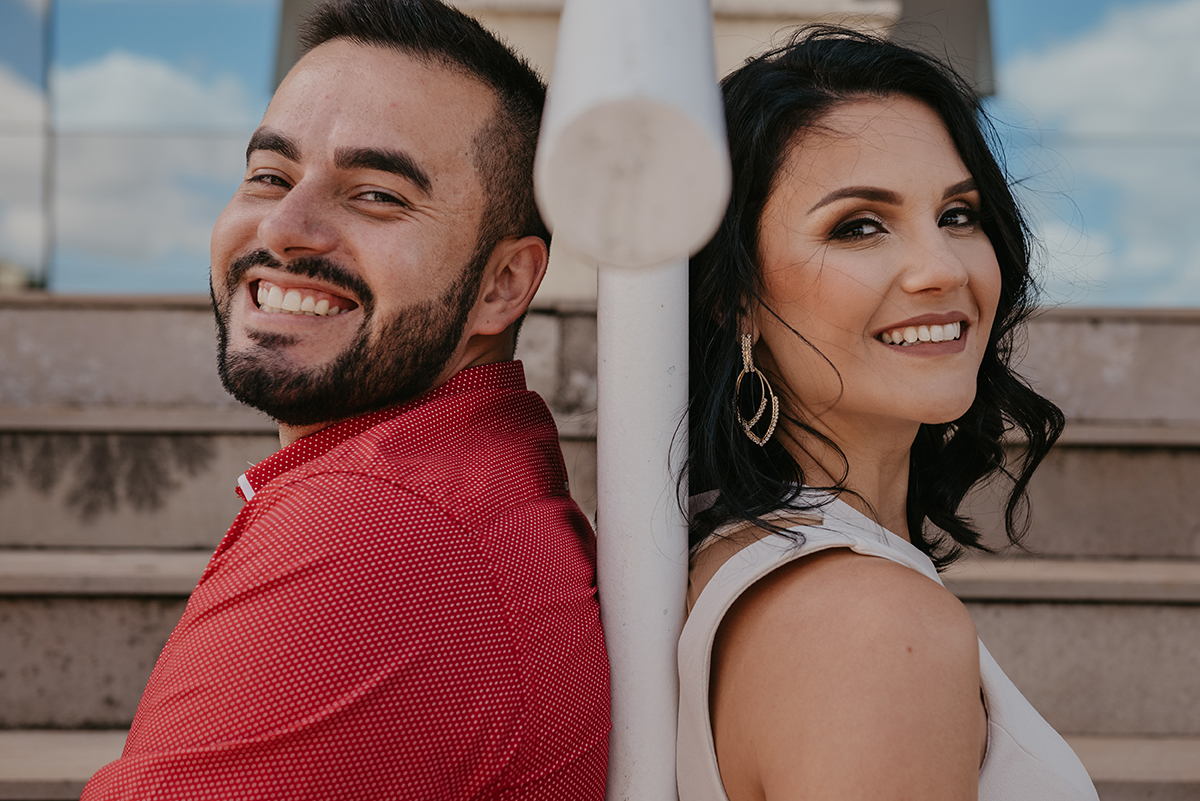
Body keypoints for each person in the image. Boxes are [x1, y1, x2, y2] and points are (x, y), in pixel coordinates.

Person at [82, 1, 609, 798]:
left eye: (376, 194)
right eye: (270, 176)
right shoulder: (465, 481)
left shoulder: (380, 533)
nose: (284, 228)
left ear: (503, 283)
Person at [677, 26, 1098, 800]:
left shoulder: (745, 552)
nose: (941, 268)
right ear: (735, 298)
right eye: (859, 226)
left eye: (958, 215)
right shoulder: (867, 623)